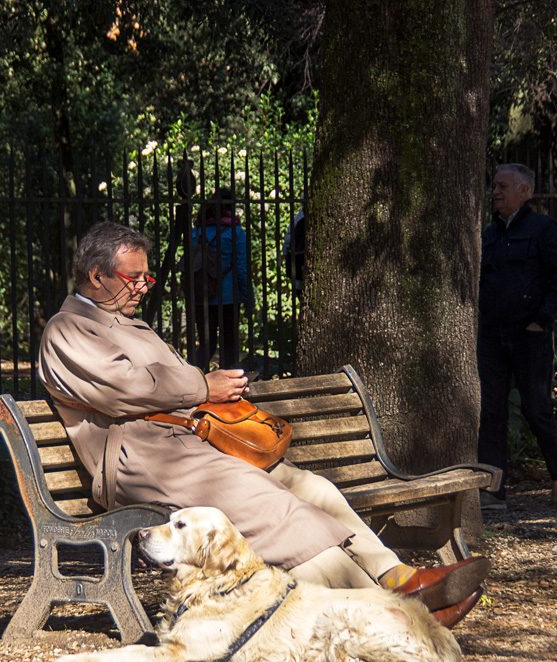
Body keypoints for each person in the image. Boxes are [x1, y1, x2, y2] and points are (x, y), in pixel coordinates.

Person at [37, 221, 490, 628]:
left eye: (145, 277)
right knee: (274, 509)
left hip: (186, 445)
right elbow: (125, 389)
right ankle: (389, 611)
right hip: (143, 458)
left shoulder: (129, 324)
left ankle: (400, 576)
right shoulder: (68, 329)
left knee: (312, 490)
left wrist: (205, 391)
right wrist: (202, 385)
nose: (142, 287)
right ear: (96, 276)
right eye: (133, 278)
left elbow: (159, 384)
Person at [477, 164, 557, 511]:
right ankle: (493, 490)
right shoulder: (487, 235)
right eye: (495, 186)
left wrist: (540, 320)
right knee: (491, 412)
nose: (496, 192)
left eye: (503, 186)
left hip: (529, 336)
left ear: (525, 191)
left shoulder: (543, 230)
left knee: (536, 408)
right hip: (492, 336)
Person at [190, 188, 254, 370]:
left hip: (202, 296)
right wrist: (248, 298)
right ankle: (230, 388)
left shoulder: (197, 232)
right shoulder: (235, 232)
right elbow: (242, 268)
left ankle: (196, 383)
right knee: (229, 346)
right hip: (228, 297)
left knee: (205, 345)